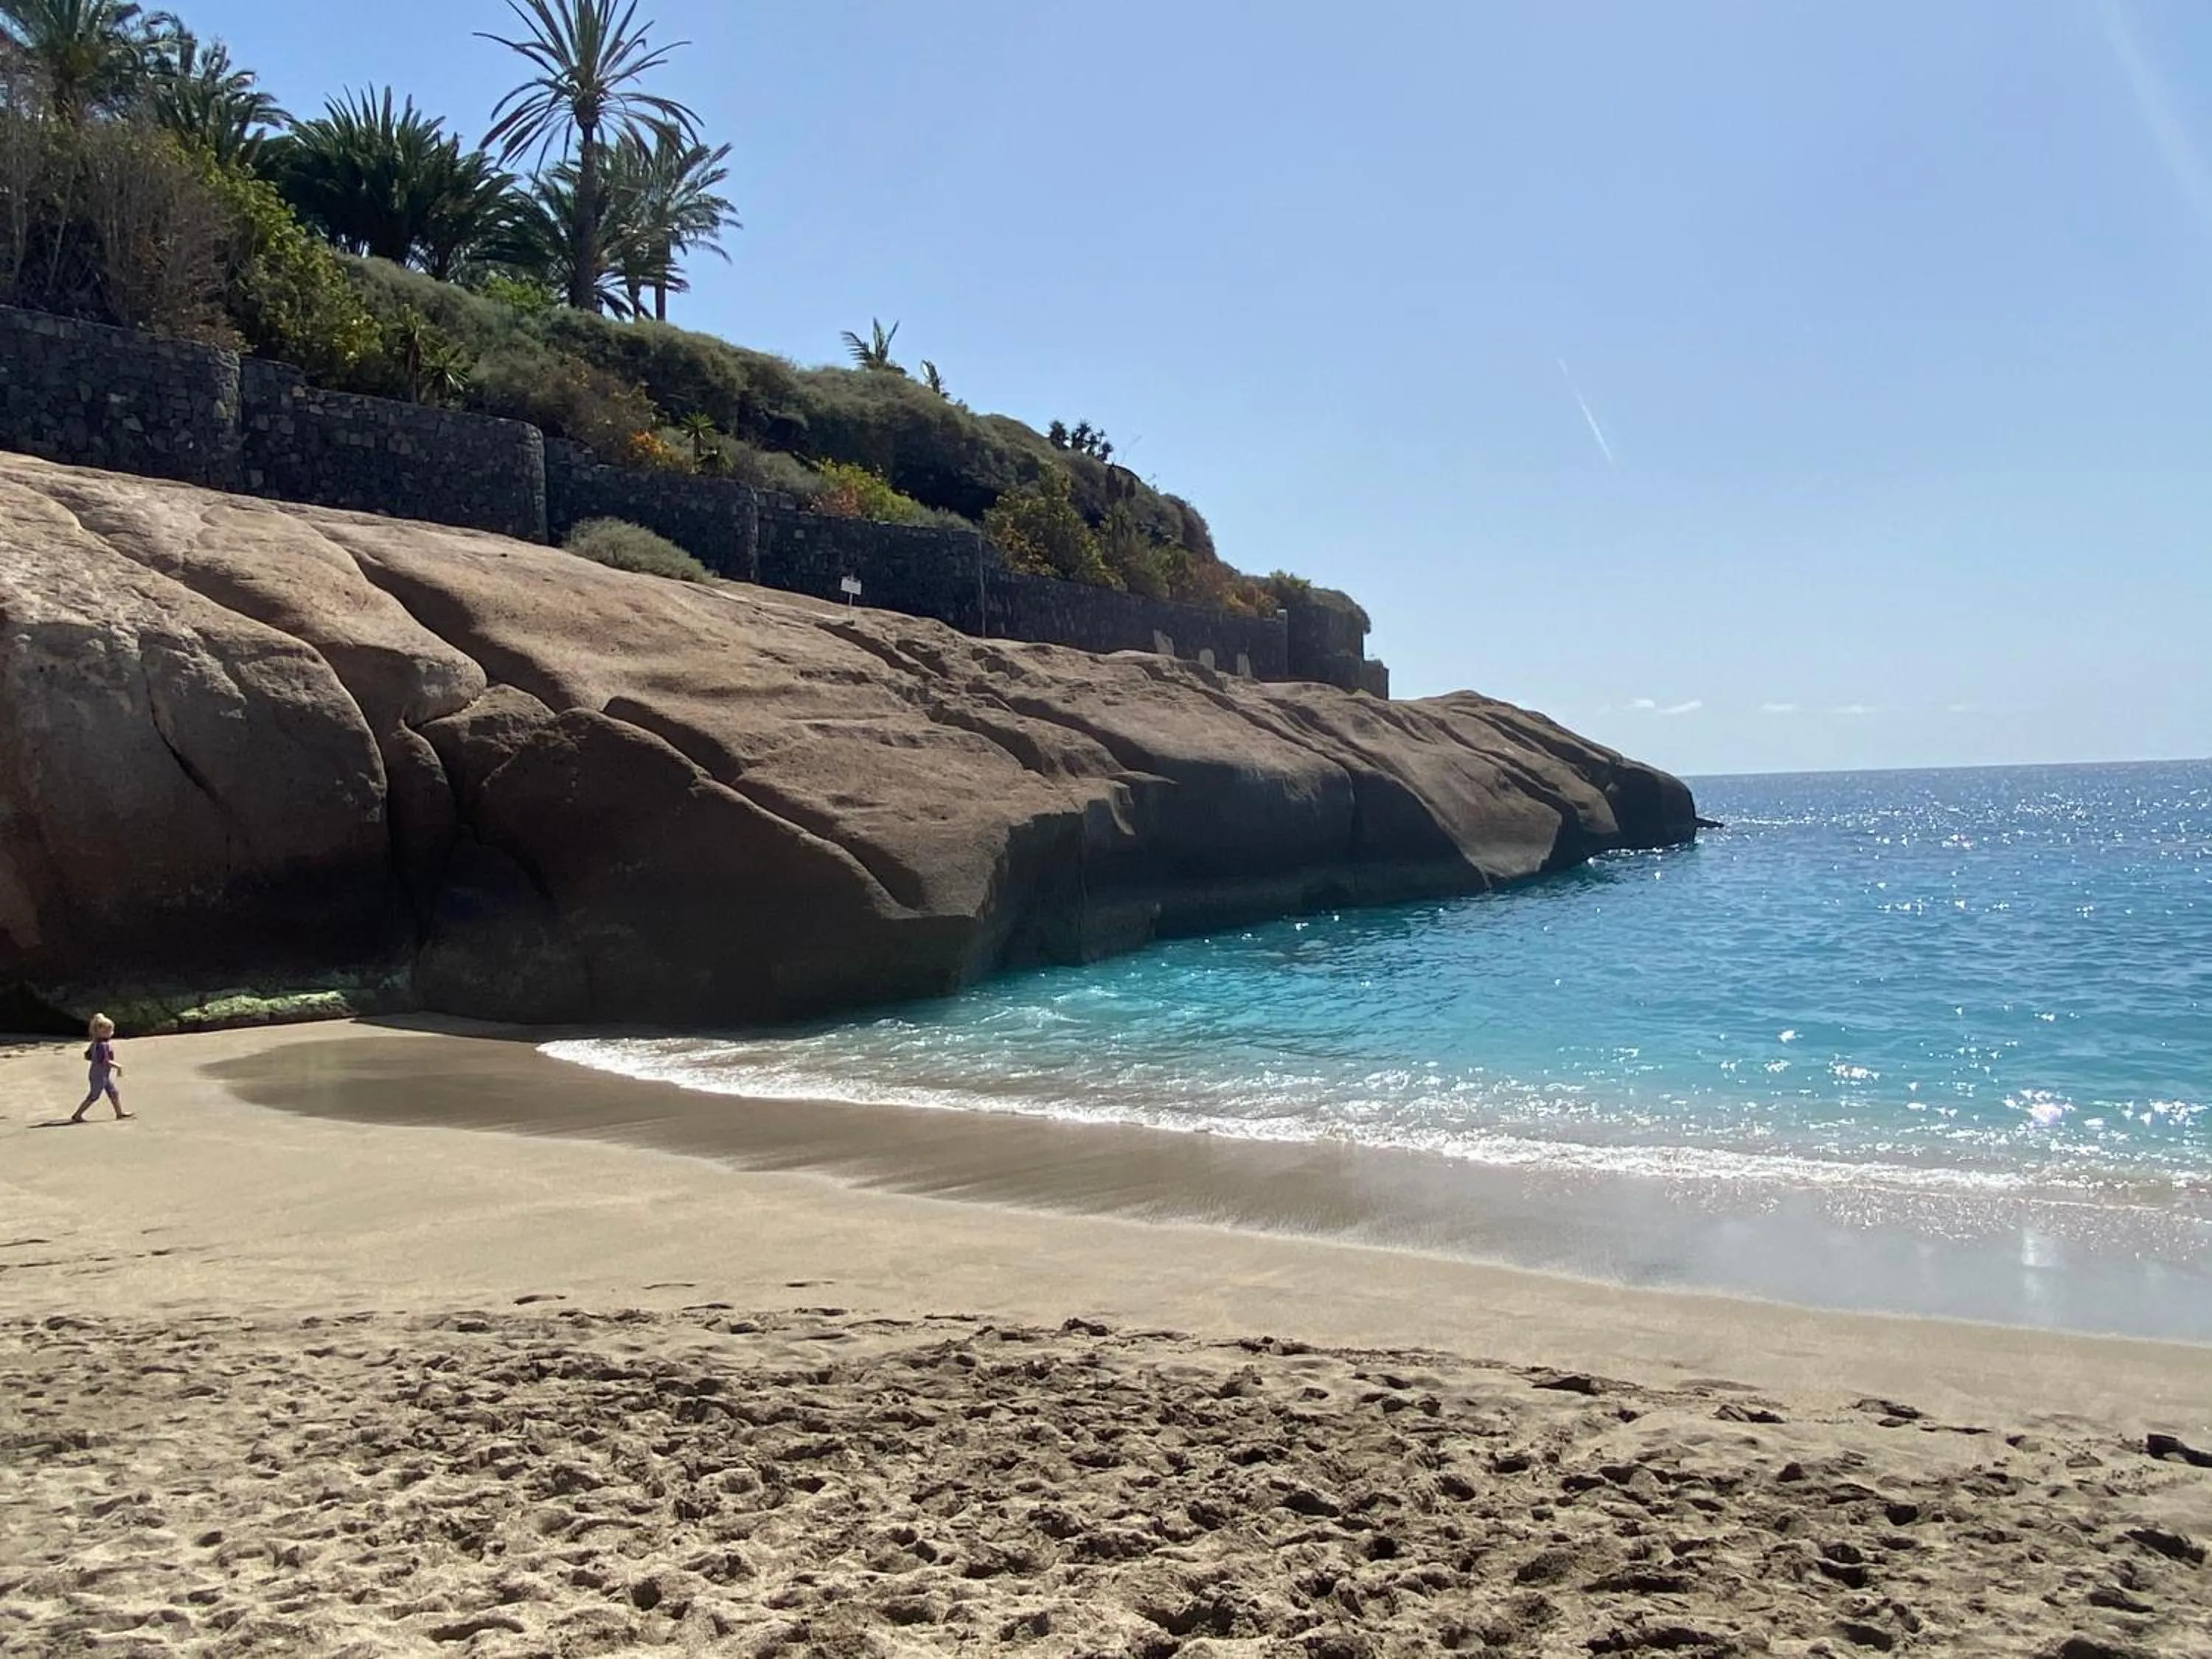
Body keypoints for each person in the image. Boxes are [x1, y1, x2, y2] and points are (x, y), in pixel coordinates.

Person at [69, 1014, 130, 1124]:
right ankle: (77, 1115)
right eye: (108, 1030)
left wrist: (95, 1059)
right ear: (100, 1031)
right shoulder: (102, 1045)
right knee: (94, 1095)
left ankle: (119, 1113)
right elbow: (105, 1061)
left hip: (102, 1073)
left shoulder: (96, 1043)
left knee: (113, 1092)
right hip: (99, 1075)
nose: (110, 1033)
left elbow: (87, 1056)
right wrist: (118, 1066)